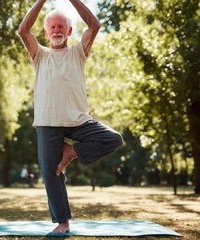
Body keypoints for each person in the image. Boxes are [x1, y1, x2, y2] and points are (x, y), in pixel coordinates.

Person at [17, 0, 124, 233]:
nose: (56, 31)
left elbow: (94, 26)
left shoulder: (78, 52)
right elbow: (23, 31)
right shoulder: (40, 56)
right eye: (52, 27)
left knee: (114, 139)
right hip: (48, 122)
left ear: (69, 31)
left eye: (60, 27)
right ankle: (63, 222)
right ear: (46, 32)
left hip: (78, 120)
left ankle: (70, 152)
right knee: (51, 173)